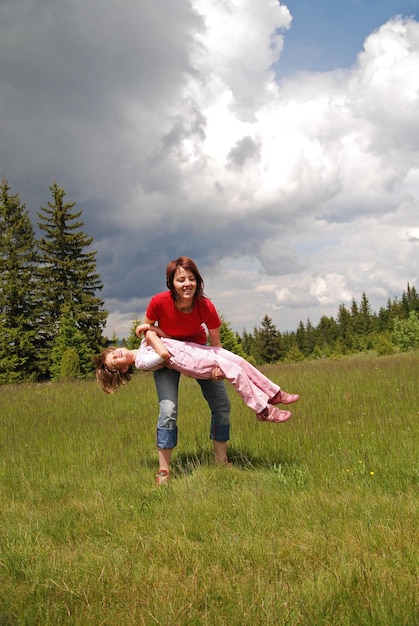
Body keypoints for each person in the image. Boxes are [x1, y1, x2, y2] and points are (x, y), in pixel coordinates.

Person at [94, 325, 299, 482]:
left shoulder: (143, 344)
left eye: (113, 354)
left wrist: (151, 329)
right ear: (122, 370)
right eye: (115, 362)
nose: (117, 356)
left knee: (240, 362)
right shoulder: (141, 362)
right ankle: (262, 409)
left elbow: (165, 334)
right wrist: (151, 335)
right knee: (172, 408)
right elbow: (163, 353)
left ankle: (274, 393)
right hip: (192, 363)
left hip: (197, 350)